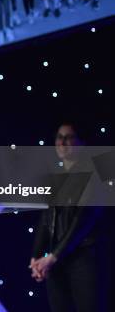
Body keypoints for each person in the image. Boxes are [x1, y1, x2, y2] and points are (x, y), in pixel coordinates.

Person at [30, 122, 110, 311]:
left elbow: (81, 222)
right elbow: (46, 219)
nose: (62, 142)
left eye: (69, 137)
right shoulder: (55, 177)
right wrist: (35, 257)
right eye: (59, 137)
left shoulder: (94, 176)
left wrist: (52, 257)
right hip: (57, 262)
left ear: (82, 143)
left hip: (84, 259)